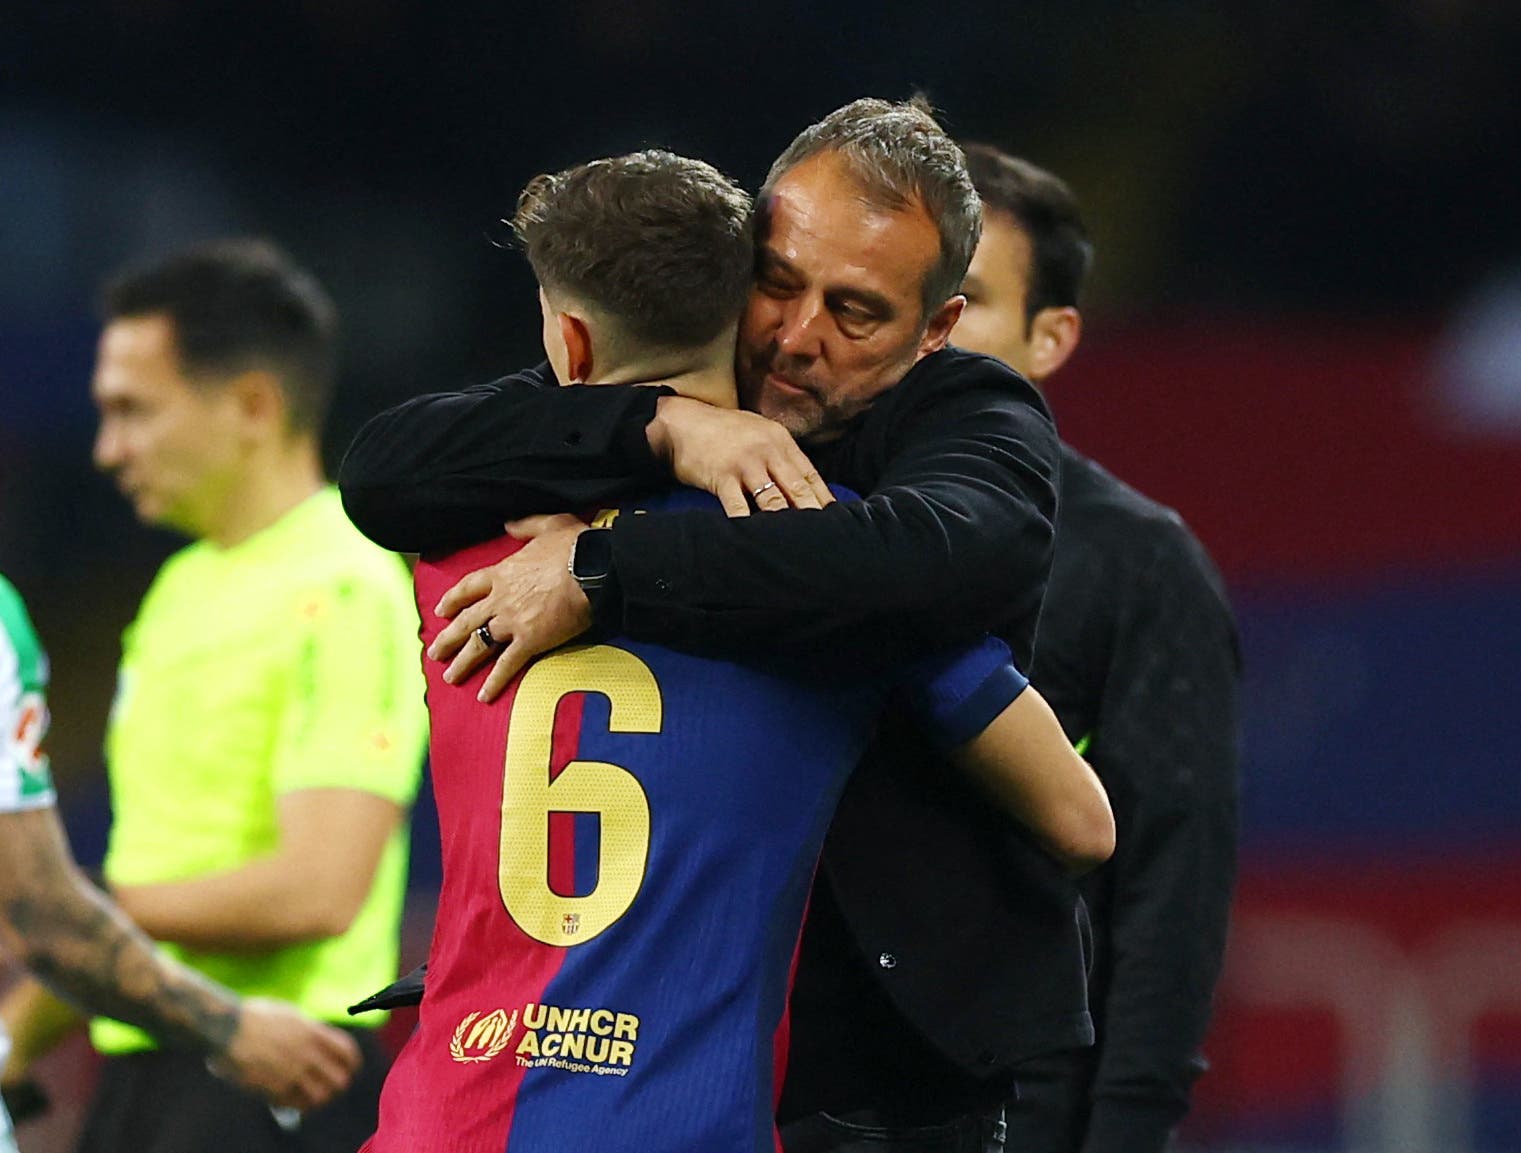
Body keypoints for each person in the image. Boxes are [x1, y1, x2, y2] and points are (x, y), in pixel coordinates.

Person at [339, 98, 1091, 1149]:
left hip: (883, 1062)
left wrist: (606, 569)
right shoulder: (647, 409)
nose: (796, 336)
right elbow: (384, 468)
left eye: (855, 312)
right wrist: (665, 424)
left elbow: (946, 554)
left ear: (936, 331)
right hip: (672, 1067)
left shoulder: (968, 419)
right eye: (777, 283)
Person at [1, 240, 429, 1153]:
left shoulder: (346, 581)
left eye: (133, 411)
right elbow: (149, 885)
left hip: (277, 1070)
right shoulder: (179, 587)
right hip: (146, 1061)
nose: (109, 450)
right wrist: (15, 1034)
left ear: (252, 405)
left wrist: (68, 908)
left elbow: (317, 890)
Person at [949, 142, 1241, 1153]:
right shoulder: (795, 514)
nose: (929, 326)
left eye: (968, 297)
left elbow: (1170, 896)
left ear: (1050, 337)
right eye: (911, 291)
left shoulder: (1138, 564)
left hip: (1025, 1116)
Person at [0, 574, 361, 1153]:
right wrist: (230, 1028)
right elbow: (40, 908)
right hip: (213, 1047)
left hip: (274, 1048)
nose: (111, 474)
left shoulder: (342, 584)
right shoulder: (170, 595)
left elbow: (318, 893)